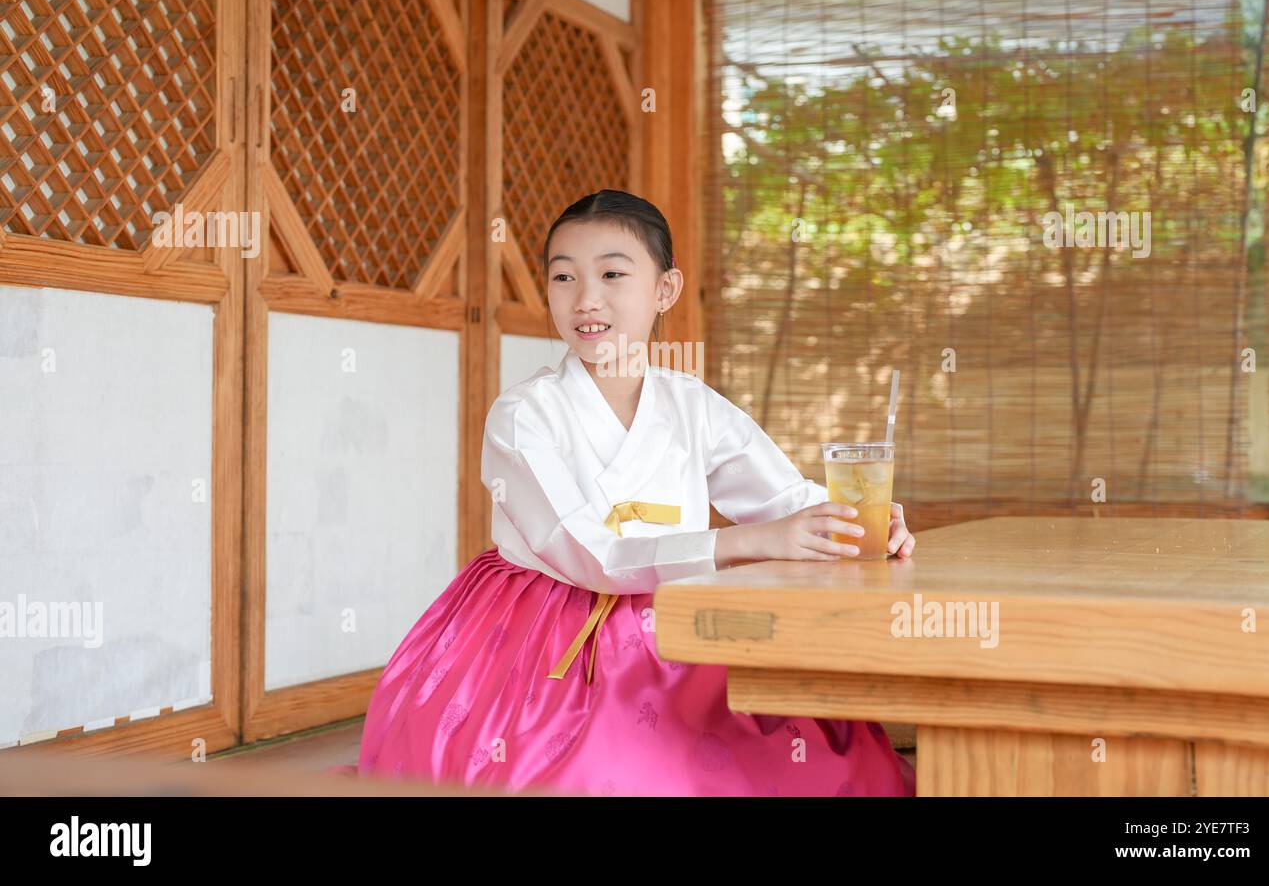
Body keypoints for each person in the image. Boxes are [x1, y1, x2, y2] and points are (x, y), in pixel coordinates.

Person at [356, 189, 917, 796]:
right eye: (564, 276)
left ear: (665, 290)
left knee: (807, 758)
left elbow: (784, 500)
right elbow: (588, 555)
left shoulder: (690, 404)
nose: (586, 299)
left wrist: (859, 521)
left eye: (612, 274)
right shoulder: (523, 414)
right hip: (546, 628)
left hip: (680, 618)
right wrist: (746, 541)